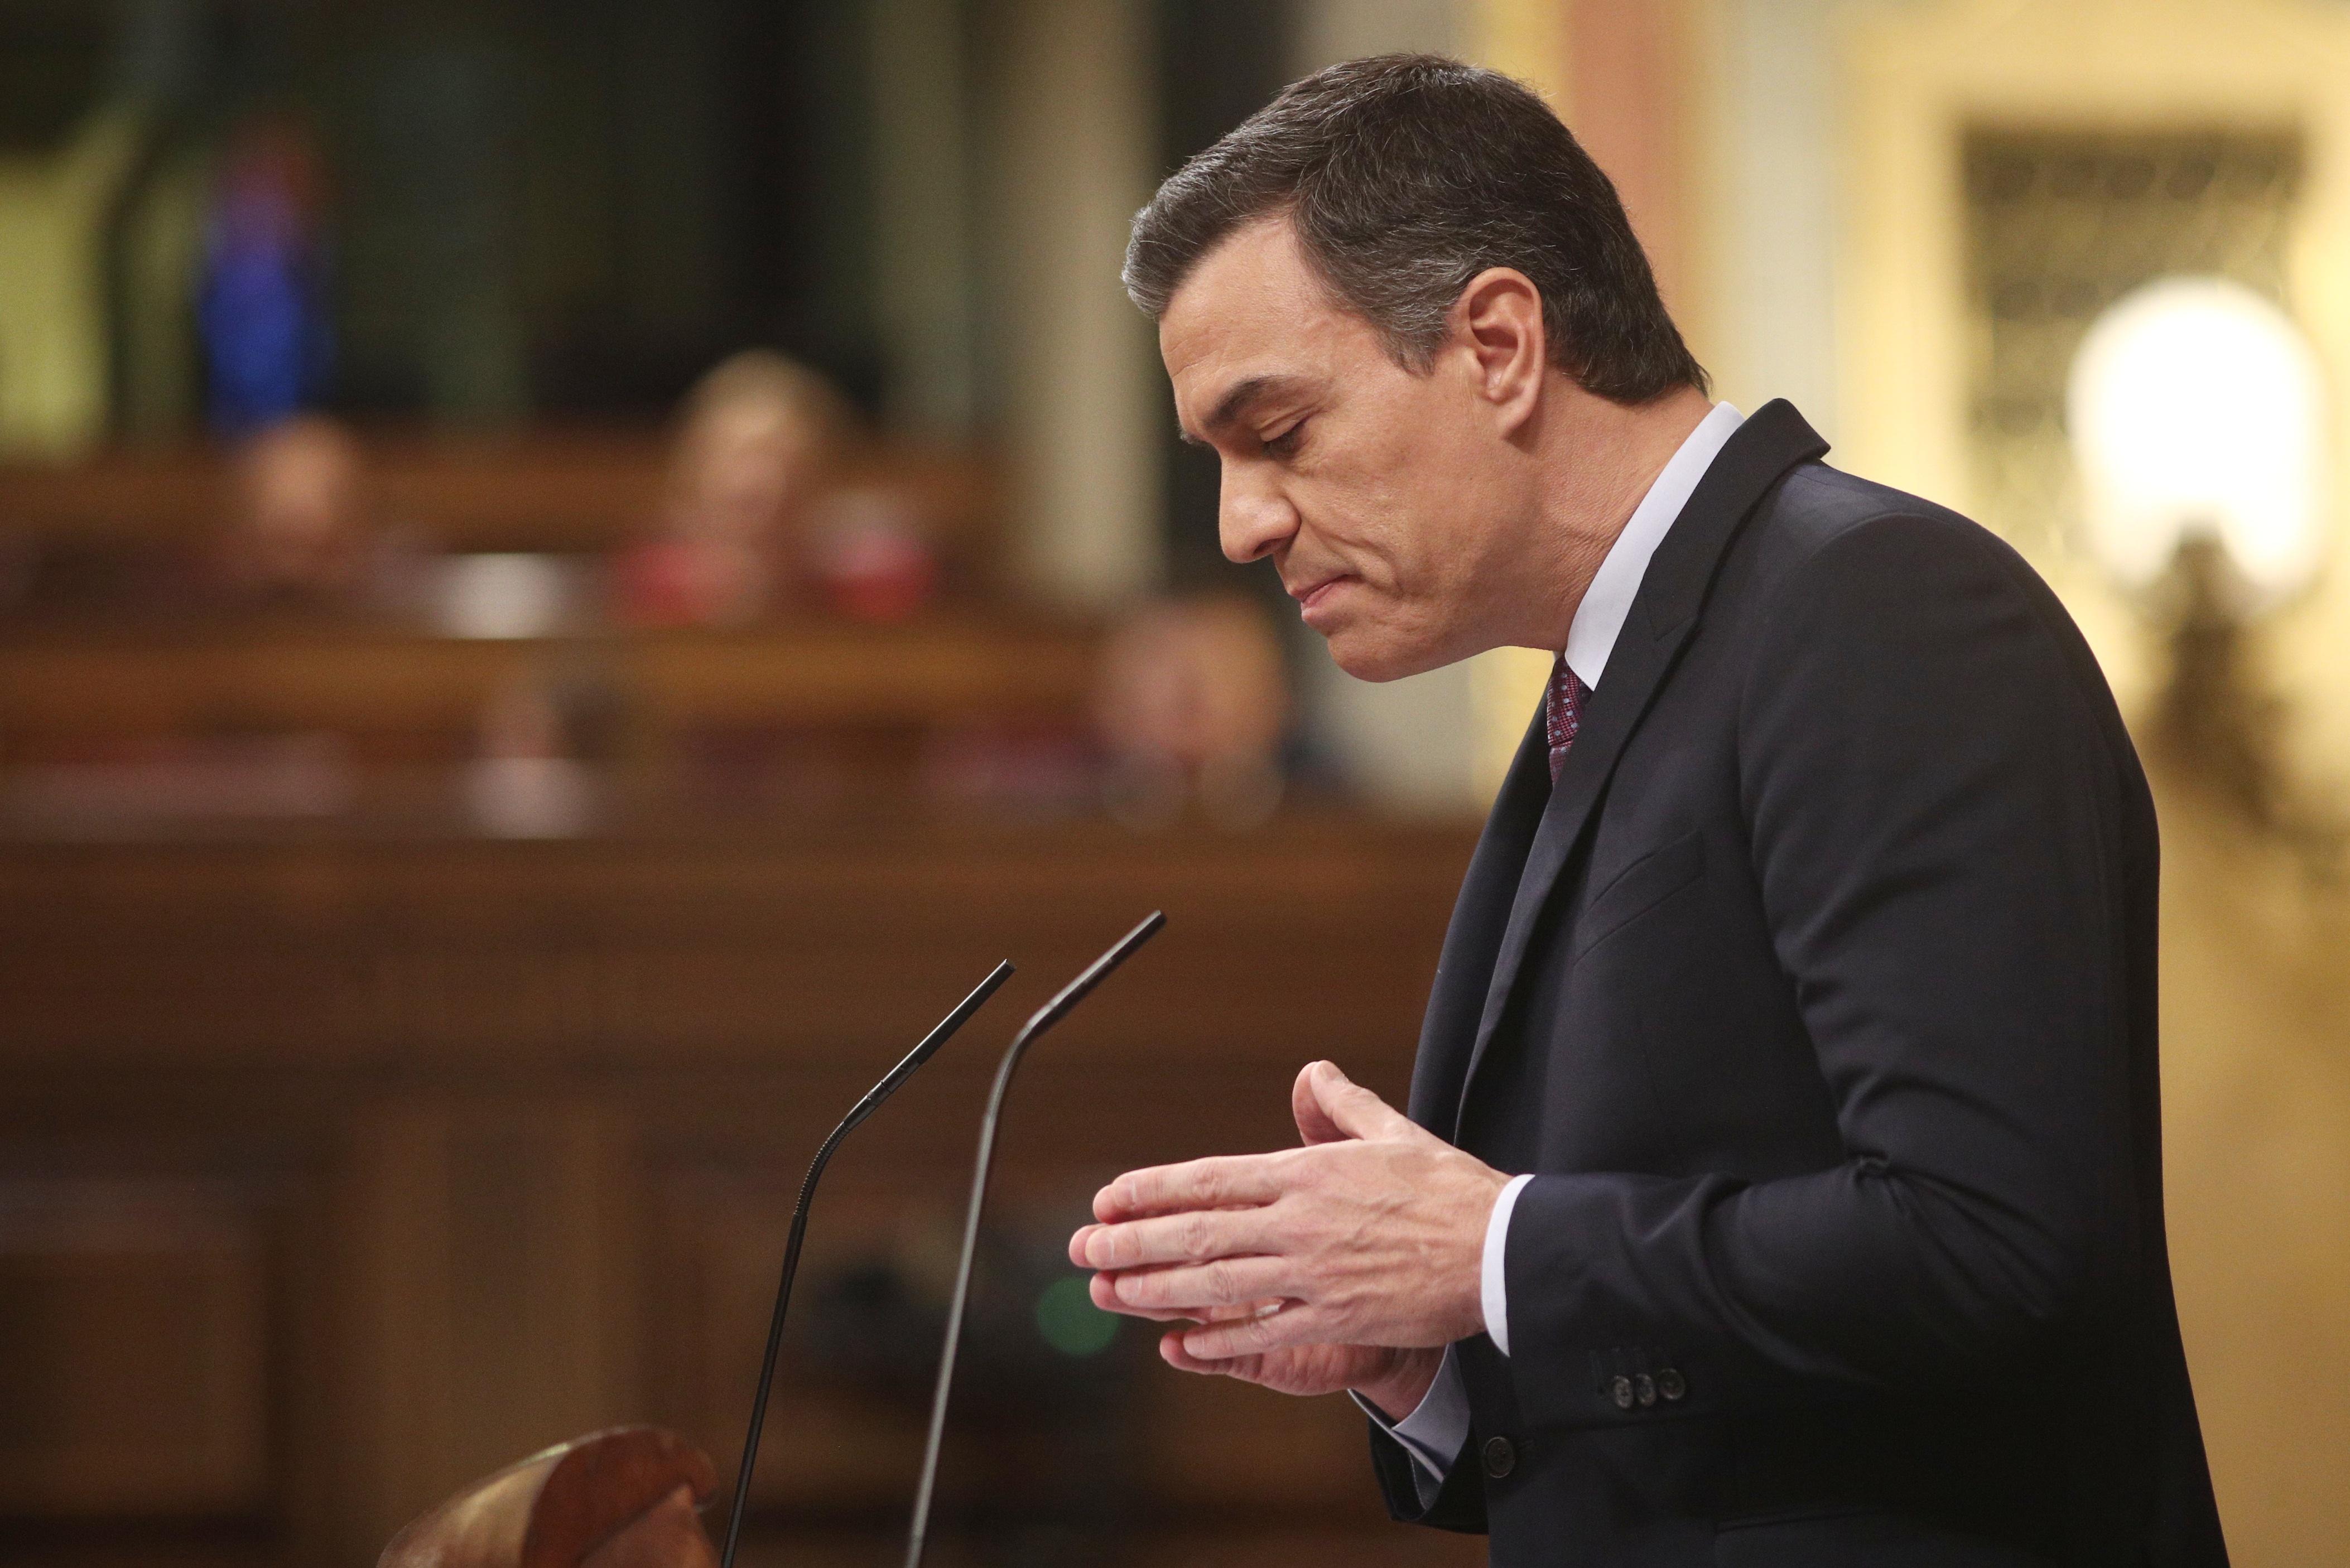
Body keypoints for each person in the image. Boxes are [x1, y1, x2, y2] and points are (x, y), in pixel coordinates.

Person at [1068, 55, 2226, 1567]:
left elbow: (1989, 1243)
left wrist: (1485, 1251)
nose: (1240, 524)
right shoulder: (1594, 696)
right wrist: (1427, 1355)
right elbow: (1699, 1403)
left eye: (1275, 432)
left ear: (1495, 341)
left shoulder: (1877, 609)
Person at [614, 350, 848, 628]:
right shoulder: (646, 587)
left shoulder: (853, 592)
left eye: (782, 459)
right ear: (694, 467)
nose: (759, 481)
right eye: (738, 457)